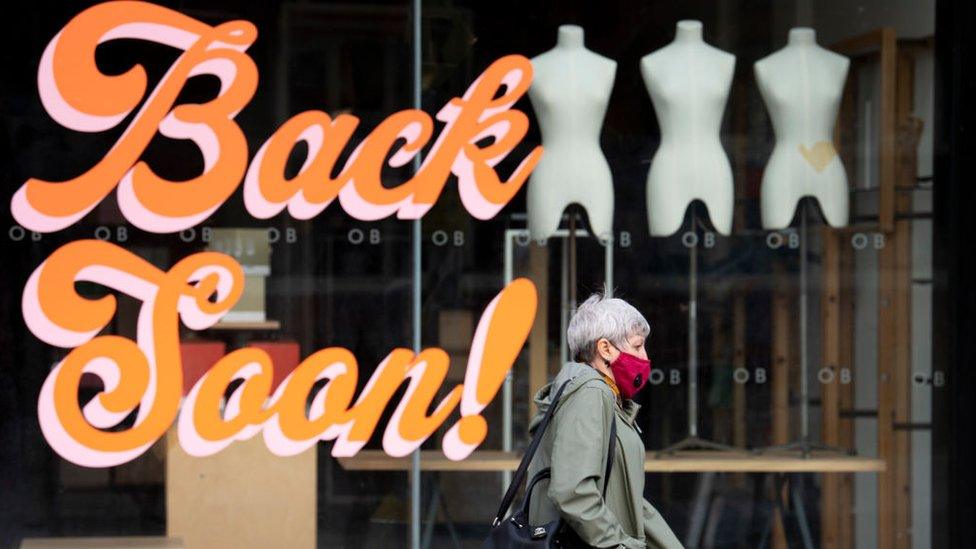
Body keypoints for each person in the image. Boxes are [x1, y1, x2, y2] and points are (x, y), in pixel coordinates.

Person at [527, 292, 683, 548]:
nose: (644, 357)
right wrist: (619, 544)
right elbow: (572, 492)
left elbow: (627, 499)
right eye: (636, 345)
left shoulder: (602, 396)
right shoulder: (590, 393)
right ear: (605, 349)